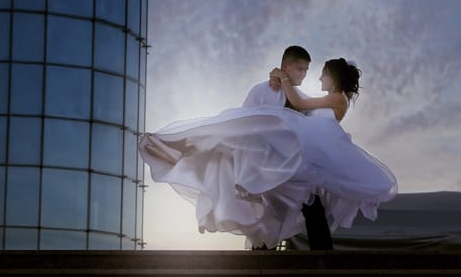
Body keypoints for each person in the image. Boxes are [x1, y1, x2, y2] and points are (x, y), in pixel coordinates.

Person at [138, 50, 397, 250]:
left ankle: (201, 149)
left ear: (334, 77)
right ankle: (196, 147)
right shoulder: (328, 98)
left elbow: (298, 102)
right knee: (291, 184)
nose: (319, 77)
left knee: (262, 136)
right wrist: (280, 78)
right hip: (312, 145)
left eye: (322, 73)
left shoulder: (337, 98)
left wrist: (282, 77)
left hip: (318, 145)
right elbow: (298, 105)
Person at [243, 45, 334, 250]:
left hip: (294, 169)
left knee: (313, 206)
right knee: (267, 218)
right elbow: (244, 126)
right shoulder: (261, 91)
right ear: (286, 66)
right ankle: (261, 262)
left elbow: (314, 130)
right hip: (267, 168)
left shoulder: (300, 97)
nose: (303, 74)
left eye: (306, 70)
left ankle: (326, 262)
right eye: (299, 69)